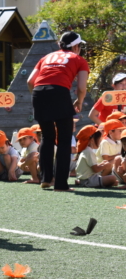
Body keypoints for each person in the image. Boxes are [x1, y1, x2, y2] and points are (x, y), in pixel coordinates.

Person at [27, 31, 90, 192]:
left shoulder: (46, 57)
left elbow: (30, 81)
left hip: (38, 92)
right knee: (64, 140)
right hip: (59, 93)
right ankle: (61, 184)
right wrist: (80, 101)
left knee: (47, 137)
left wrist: (38, 97)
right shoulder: (79, 59)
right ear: (76, 46)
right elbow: (81, 87)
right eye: (80, 46)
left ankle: (46, 179)